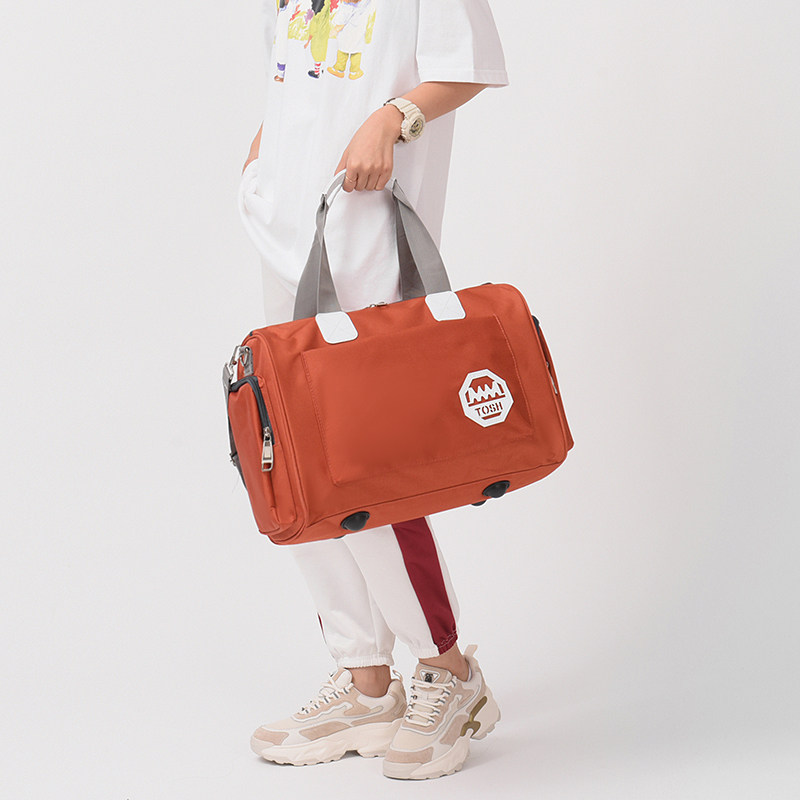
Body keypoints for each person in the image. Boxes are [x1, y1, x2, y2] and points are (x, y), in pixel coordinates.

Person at [237, 0, 509, 780]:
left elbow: (468, 66)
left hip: (366, 241)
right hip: (284, 234)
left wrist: (393, 119)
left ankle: (448, 671)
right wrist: (259, 166)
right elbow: (290, 80)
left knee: (366, 469)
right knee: (295, 466)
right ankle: (366, 683)